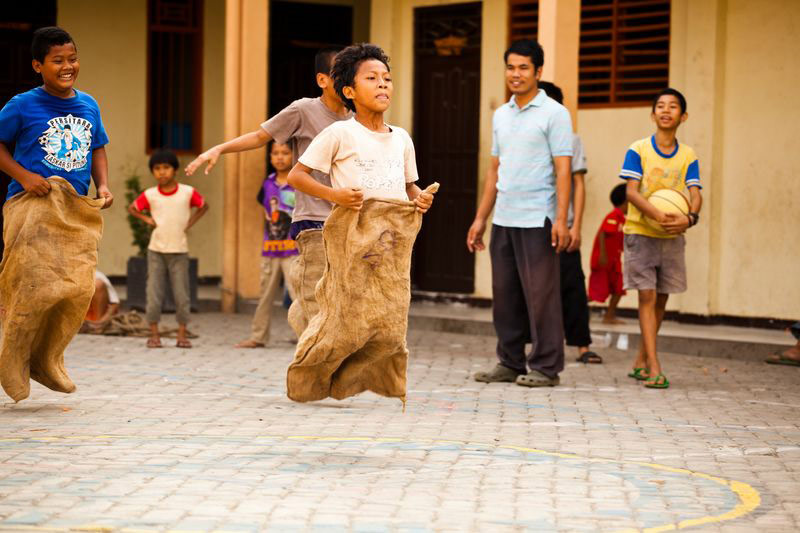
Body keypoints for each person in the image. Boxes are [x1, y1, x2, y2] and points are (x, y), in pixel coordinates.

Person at [185, 47, 351, 335]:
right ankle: (315, 361)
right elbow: (261, 136)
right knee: (315, 300)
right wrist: (219, 148)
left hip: (348, 219)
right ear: (322, 79)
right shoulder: (304, 109)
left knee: (341, 299)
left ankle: (315, 343)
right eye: (341, 71)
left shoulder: (356, 120)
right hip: (313, 220)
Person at [467, 40, 573, 388]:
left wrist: (561, 219)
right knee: (506, 295)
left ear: (538, 72)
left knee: (541, 295)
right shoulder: (501, 114)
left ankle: (546, 366)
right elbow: (494, 170)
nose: (516, 73)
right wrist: (481, 217)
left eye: (523, 67)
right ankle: (510, 362)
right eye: (511, 67)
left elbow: (563, 170)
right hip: (504, 218)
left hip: (538, 217)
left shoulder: (554, 113)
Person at [288, 43, 433, 217]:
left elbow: (408, 186)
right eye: (371, 78)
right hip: (352, 235)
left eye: (387, 79)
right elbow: (296, 176)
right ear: (349, 92)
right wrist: (333, 195)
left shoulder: (402, 137)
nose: (382, 84)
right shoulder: (339, 133)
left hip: (393, 236)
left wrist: (421, 198)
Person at [620, 88, 702, 389]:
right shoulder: (638, 149)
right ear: (653, 114)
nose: (666, 110)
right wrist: (655, 214)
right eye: (661, 106)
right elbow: (630, 192)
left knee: (661, 300)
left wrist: (688, 218)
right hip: (640, 233)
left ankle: (641, 358)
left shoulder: (688, 155)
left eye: (673, 106)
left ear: (684, 116)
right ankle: (655, 366)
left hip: (672, 235)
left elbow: (695, 193)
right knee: (646, 296)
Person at [0, 26, 113, 207]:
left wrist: (103, 185)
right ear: (38, 66)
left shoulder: (89, 104)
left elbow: (97, 147)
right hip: (30, 205)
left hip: (76, 206)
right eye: (58, 61)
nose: (68, 67)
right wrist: (24, 177)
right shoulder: (22, 104)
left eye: (73, 59)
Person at [538, 81, 600, 365]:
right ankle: (534, 345)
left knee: (572, 286)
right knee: (532, 288)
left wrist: (576, 226)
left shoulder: (572, 140)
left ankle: (582, 345)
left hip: (563, 224)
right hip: (531, 223)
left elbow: (579, 184)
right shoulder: (525, 137)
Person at [128, 149, 208, 349]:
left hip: (179, 251)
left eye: (166, 168)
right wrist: (147, 219)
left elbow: (204, 206)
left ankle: (182, 334)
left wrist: (190, 222)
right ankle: (154, 334)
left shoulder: (187, 192)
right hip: (156, 250)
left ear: (175, 170)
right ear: (153, 172)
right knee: (153, 293)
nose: (162, 172)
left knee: (182, 294)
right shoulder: (150, 195)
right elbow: (133, 208)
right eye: (157, 168)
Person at [235, 142, 298, 348]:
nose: (280, 157)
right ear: (270, 157)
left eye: (285, 153)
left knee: (299, 296)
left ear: (293, 155)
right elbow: (264, 207)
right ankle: (258, 336)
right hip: (270, 249)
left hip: (294, 250)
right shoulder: (267, 184)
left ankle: (306, 338)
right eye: (275, 153)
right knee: (264, 295)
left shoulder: (299, 181)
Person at [588, 184, 628, 324]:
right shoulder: (613, 215)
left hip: (614, 262)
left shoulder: (623, 219)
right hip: (603, 262)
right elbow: (603, 233)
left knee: (619, 288)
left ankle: (609, 316)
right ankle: (568, 309)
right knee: (596, 293)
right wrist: (603, 255)